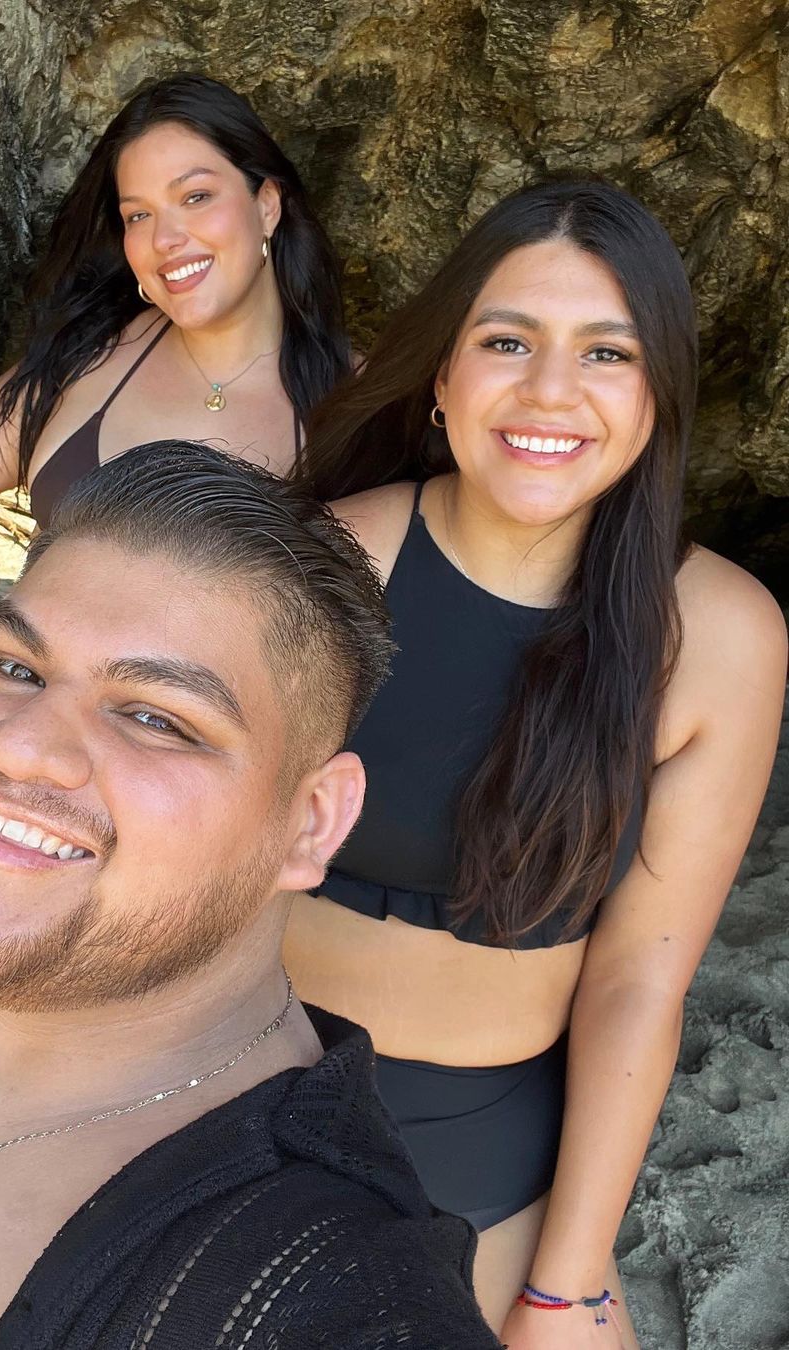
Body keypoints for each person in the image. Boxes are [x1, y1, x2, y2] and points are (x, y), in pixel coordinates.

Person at [0, 443, 500, 1350]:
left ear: (312, 822)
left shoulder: (333, 1294)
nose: (20, 748)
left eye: (156, 717)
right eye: (13, 666)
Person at [286, 179, 787, 1347]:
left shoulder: (722, 635)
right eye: (507, 340)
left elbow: (638, 984)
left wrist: (568, 1281)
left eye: (607, 352)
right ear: (443, 375)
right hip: (235, 1080)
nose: (551, 391)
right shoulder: (330, 560)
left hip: (482, 1138)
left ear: (657, 393)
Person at [0, 76, 350, 527]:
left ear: (267, 204)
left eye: (196, 196)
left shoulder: (354, 405)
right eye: (139, 215)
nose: (164, 239)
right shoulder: (100, 343)